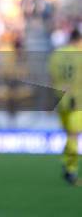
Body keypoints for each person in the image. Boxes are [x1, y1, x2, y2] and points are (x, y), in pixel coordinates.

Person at [48, 28, 82, 185]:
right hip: (76, 100)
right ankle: (70, 168)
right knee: (73, 135)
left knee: (69, 134)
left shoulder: (56, 55)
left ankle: (67, 164)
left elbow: (52, 77)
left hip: (60, 99)